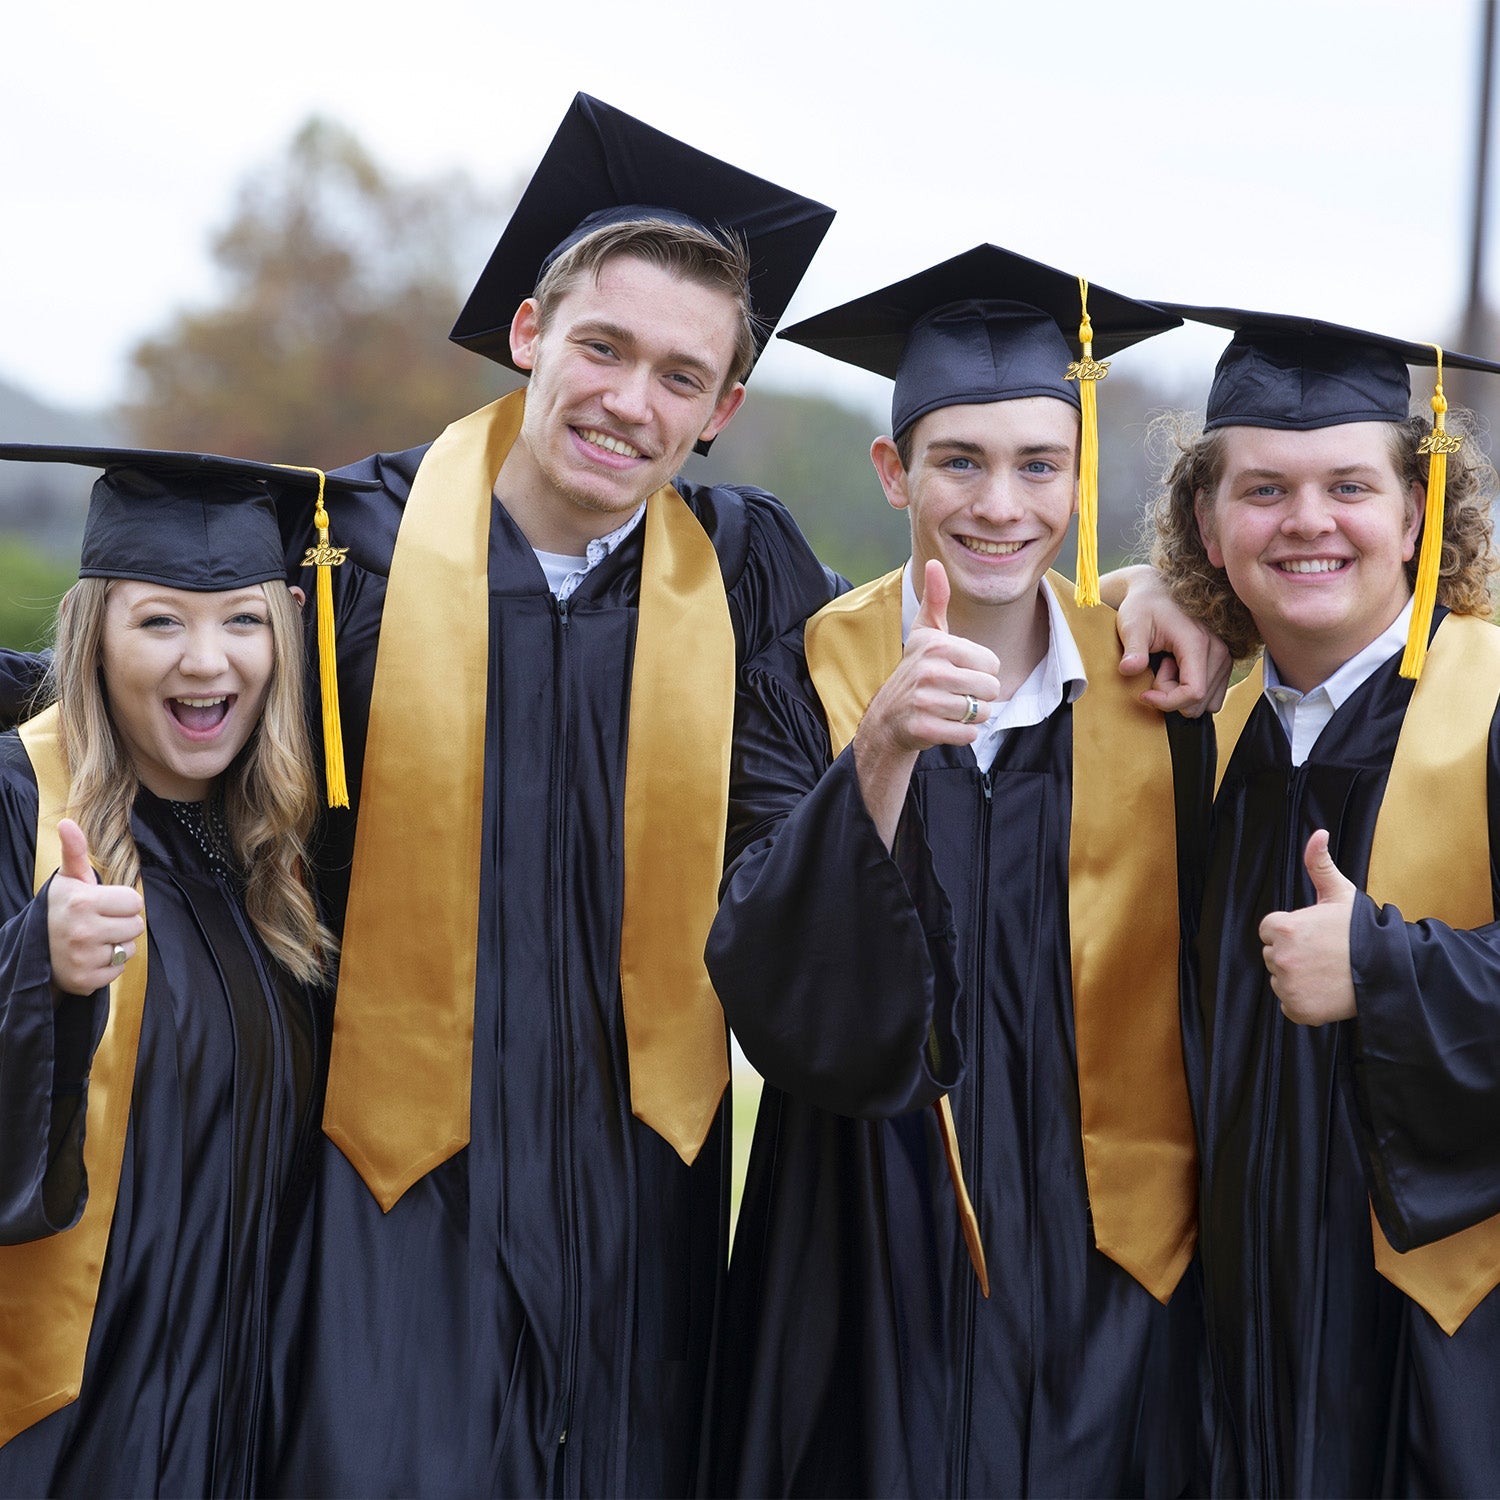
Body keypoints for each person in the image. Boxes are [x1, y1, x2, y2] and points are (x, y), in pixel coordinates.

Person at [265, 94, 840, 1500]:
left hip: (642, 1185)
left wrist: (1163, 611)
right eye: (602, 347)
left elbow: (910, 693)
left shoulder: (749, 569)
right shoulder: (352, 547)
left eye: (679, 376)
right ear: (530, 335)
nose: (629, 401)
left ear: (720, 412)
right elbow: (155, 703)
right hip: (389, 1174)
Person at [702, 245, 1214, 1498]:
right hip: (863, 1256)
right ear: (895, 472)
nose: (1002, 504)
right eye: (960, 462)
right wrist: (878, 748)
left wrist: (1181, 594)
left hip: (1111, 1272)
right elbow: (766, 978)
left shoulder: (1165, 688)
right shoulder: (802, 679)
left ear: (1080, 473)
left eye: (1040, 464)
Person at [1147, 307, 1500, 1497]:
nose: (1307, 522)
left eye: (1349, 485)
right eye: (1264, 490)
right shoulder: (1207, 734)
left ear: (1415, 509)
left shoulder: (1491, 704)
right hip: (1242, 1347)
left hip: (1448, 1353)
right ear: (1206, 520)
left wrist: (1386, 968)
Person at [0, 447, 367, 1497]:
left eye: (243, 621)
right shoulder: (18, 808)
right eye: (161, 620)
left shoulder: (272, 862)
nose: (207, 662)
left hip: (233, 1417)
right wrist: (42, 971)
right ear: (95, 634)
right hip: (65, 1427)